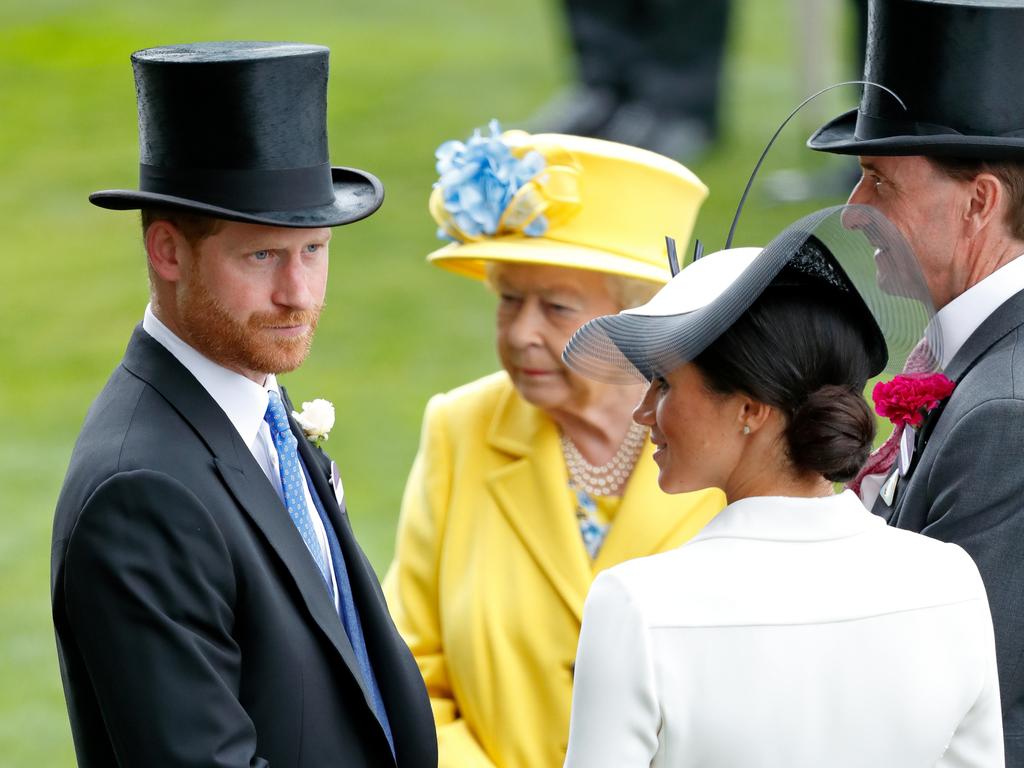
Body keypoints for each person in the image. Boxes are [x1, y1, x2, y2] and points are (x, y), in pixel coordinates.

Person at [50, 42, 437, 767]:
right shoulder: (143, 495)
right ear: (168, 251)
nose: (300, 294)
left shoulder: (258, 410)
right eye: (262, 256)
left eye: (314, 251)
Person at [560, 206, 1004, 767]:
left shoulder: (638, 605)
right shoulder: (950, 580)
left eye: (664, 383)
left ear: (751, 408)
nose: (644, 412)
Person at [383, 124, 725, 768]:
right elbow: (408, 664)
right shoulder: (462, 426)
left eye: (557, 307)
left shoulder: (727, 440)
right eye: (510, 300)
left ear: (637, 319)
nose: (522, 334)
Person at [808, 0, 1024, 760]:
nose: (854, 210)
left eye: (878, 180)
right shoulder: (974, 356)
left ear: (978, 203)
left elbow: (953, 694)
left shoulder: (1005, 415)